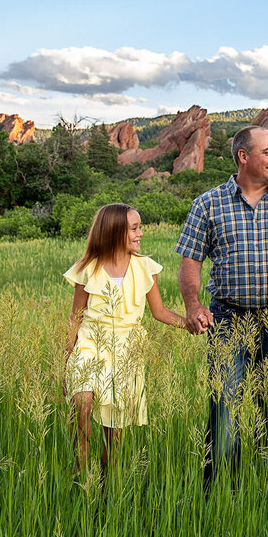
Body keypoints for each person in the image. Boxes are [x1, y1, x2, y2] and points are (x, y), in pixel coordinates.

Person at [176, 126, 268, 485]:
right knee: (223, 406)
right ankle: (220, 492)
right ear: (244, 157)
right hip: (226, 318)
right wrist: (193, 304)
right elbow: (190, 262)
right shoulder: (208, 203)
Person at [64, 203, 189, 479]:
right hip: (90, 341)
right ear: (114, 231)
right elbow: (75, 317)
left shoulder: (145, 267)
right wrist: (64, 361)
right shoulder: (88, 268)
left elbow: (160, 312)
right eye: (134, 228)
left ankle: (108, 481)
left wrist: (189, 324)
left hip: (126, 348)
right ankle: (82, 474)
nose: (140, 233)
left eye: (139, 227)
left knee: (114, 425)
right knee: (82, 402)